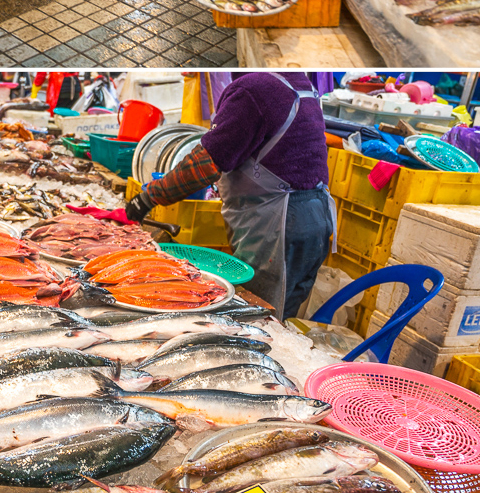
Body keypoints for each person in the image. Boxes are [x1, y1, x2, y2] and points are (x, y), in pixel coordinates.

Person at [125, 72, 335, 318]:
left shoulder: (252, 89)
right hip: (316, 216)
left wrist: (148, 197)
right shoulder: (297, 80)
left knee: (256, 315)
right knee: (282, 315)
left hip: (279, 224)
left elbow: (206, 164)